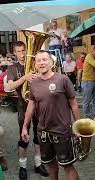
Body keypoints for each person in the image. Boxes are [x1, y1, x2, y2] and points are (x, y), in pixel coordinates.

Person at [22, 50, 80, 180]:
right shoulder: (34, 83)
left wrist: (78, 126)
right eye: (38, 60)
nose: (42, 63)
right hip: (43, 132)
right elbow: (31, 105)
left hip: (62, 131)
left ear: (51, 62)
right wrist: (25, 127)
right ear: (35, 64)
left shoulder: (62, 79)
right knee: (51, 166)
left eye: (44, 59)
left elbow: (74, 104)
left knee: (68, 166)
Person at [6, 41, 48, 179]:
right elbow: (9, 87)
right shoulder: (12, 68)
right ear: (15, 53)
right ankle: (22, 167)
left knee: (38, 137)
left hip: (38, 106)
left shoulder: (36, 64)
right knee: (23, 138)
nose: (22, 54)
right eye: (18, 51)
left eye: (23, 50)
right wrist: (25, 77)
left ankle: (38, 164)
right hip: (23, 106)